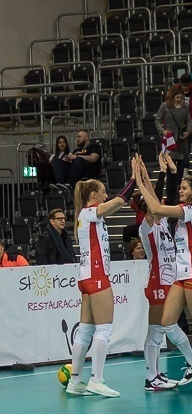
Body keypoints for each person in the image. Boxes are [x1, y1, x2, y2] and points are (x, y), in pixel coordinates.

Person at [135, 163, 192, 391]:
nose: (180, 190)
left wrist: (139, 184)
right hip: (181, 273)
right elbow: (156, 205)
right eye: (180, 187)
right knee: (167, 323)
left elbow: (156, 207)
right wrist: (145, 178)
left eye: (184, 188)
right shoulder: (191, 211)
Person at [65, 163, 136, 397]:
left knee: (85, 330)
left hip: (86, 277)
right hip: (96, 276)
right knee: (104, 329)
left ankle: (75, 381)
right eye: (103, 192)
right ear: (94, 195)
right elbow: (119, 202)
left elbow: (113, 205)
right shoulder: (89, 212)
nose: (106, 195)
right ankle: (97, 379)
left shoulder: (85, 216)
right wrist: (134, 179)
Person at [137, 171, 179, 391]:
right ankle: (150, 377)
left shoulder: (163, 224)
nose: (161, 205)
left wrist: (148, 177)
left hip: (168, 281)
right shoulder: (147, 226)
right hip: (157, 282)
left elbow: (155, 200)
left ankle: (156, 373)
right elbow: (153, 205)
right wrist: (143, 183)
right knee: (155, 330)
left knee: (160, 330)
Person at [155, 85, 192, 184]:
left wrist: (188, 131)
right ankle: (170, 186)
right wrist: (163, 131)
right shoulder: (165, 106)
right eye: (177, 97)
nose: (180, 99)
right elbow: (157, 120)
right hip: (170, 138)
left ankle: (178, 185)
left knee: (183, 162)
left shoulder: (185, 106)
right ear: (173, 97)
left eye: (181, 97)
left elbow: (189, 120)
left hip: (182, 138)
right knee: (170, 164)